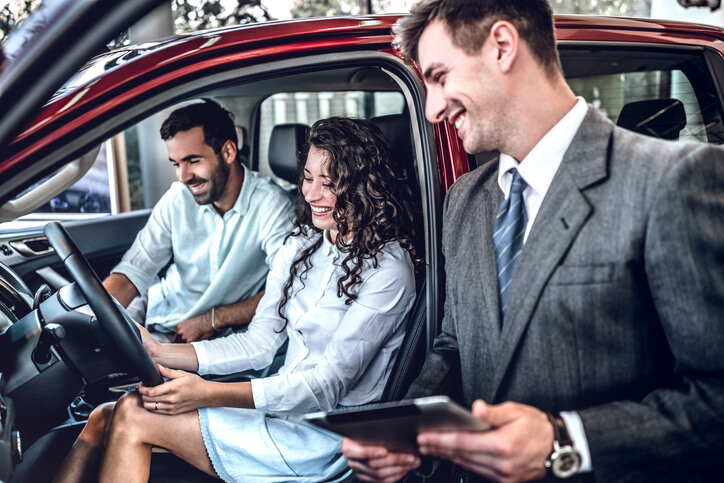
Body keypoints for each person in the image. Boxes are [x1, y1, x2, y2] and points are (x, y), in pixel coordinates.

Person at [343, 1, 724, 482]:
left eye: (439, 77)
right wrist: (403, 436)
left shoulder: (672, 181)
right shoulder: (463, 201)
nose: (432, 107)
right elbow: (452, 349)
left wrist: (564, 440)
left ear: (502, 46)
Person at [56, 116, 418, 483]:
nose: (310, 194)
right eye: (308, 178)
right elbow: (260, 343)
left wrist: (209, 393)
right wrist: (158, 352)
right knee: (106, 414)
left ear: (362, 186)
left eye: (329, 183)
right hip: (279, 413)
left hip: (324, 439)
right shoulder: (303, 245)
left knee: (133, 415)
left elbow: (326, 385)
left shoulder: (388, 271)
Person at [103, 99, 294, 343]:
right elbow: (134, 271)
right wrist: (93, 317)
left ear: (228, 152)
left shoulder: (273, 206)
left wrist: (214, 319)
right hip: (157, 313)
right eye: (176, 163)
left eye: (193, 161)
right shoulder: (177, 197)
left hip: (213, 339)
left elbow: (290, 290)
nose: (183, 177)